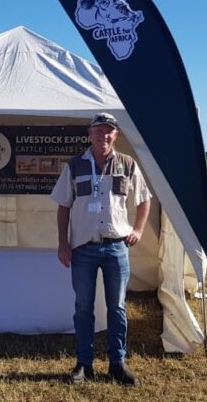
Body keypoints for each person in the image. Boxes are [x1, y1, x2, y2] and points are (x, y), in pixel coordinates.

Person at [50, 112, 151, 385]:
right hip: (82, 249)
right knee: (83, 307)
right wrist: (63, 243)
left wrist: (138, 230)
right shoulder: (74, 166)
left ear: (115, 135)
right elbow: (63, 207)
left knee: (116, 307)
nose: (103, 136)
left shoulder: (128, 164)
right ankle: (84, 364)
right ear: (89, 134)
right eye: (98, 131)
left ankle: (117, 363)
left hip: (116, 248)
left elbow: (144, 200)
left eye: (109, 131)